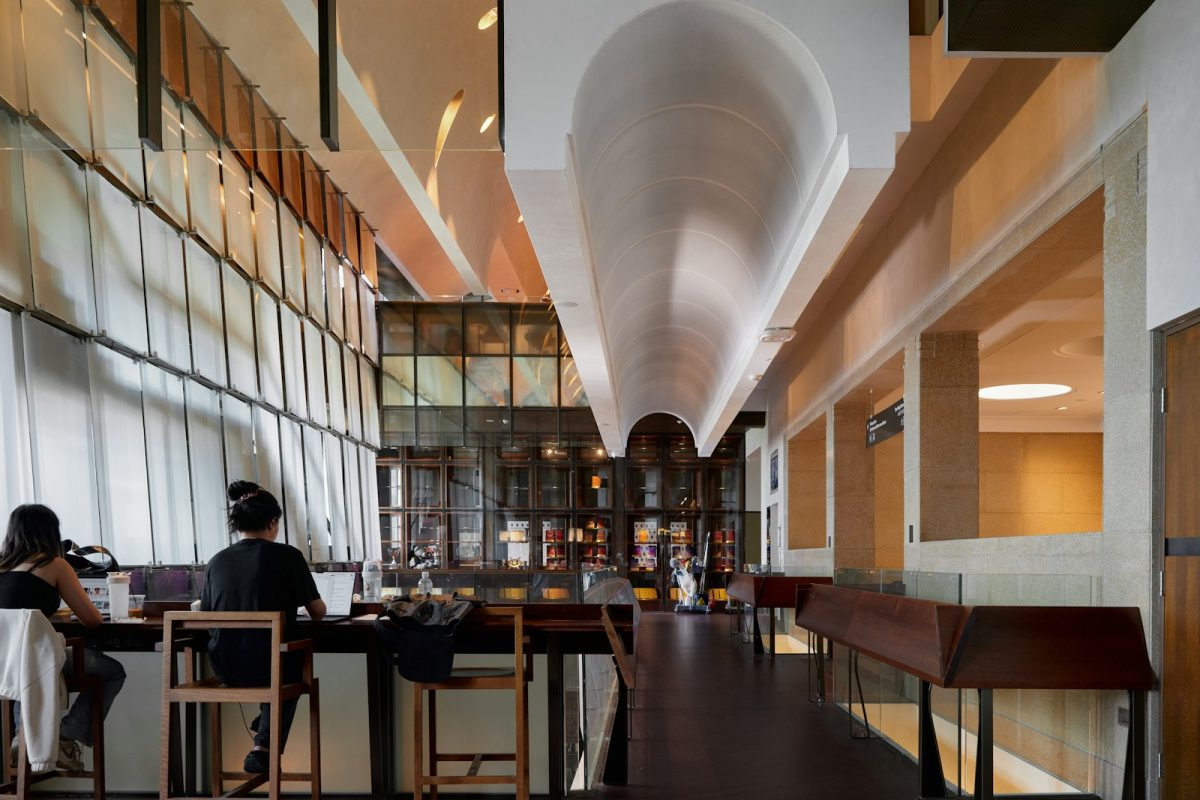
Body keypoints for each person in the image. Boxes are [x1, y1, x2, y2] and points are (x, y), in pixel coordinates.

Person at [200, 481, 326, 774]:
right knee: (288, 663)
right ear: (272, 522)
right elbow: (318, 612)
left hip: (226, 668)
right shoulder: (288, 555)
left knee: (275, 662)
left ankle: (263, 736)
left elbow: (205, 615)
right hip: (273, 669)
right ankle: (263, 745)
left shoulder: (216, 561)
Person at [0, 504, 126, 772]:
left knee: (26, 662)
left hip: (4, 668)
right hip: (34, 662)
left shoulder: (2, 566)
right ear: (50, 533)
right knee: (113, 671)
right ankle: (66, 736)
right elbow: (92, 619)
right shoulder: (54, 564)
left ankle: (21, 738)